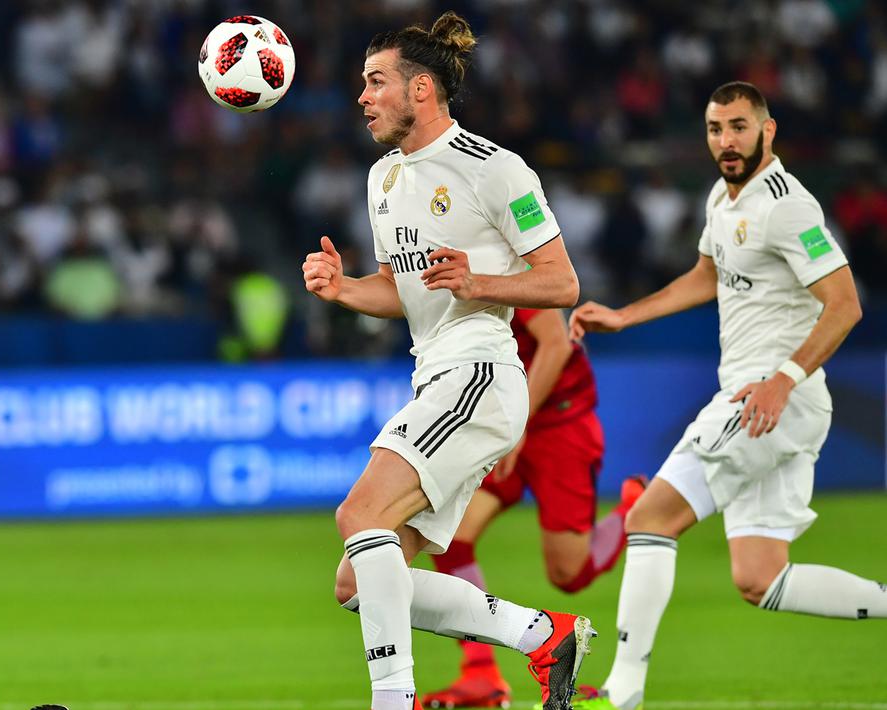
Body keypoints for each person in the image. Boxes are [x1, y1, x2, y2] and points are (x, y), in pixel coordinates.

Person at [303, 12, 595, 710]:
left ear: (422, 89)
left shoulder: (493, 169)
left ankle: (391, 701)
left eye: (376, 82)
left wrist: (482, 283)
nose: (363, 96)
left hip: (480, 375)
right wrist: (344, 289)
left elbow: (562, 283)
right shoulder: (383, 179)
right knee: (357, 583)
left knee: (359, 515)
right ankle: (541, 634)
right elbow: (403, 291)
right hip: (434, 373)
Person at [568, 82, 883, 710]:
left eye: (739, 127)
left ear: (769, 130)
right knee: (760, 577)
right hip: (770, 404)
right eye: (716, 129)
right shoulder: (723, 196)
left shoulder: (788, 206)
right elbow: (707, 275)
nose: (726, 141)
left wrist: (782, 379)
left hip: (769, 399)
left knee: (649, 518)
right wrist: (626, 316)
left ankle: (624, 688)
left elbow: (845, 304)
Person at [421, 307, 647, 709]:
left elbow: (556, 343)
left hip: (558, 422)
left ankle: (635, 512)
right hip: (500, 416)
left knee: (568, 574)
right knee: (449, 535)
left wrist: (519, 424)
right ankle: (481, 674)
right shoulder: (453, 255)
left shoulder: (514, 257)